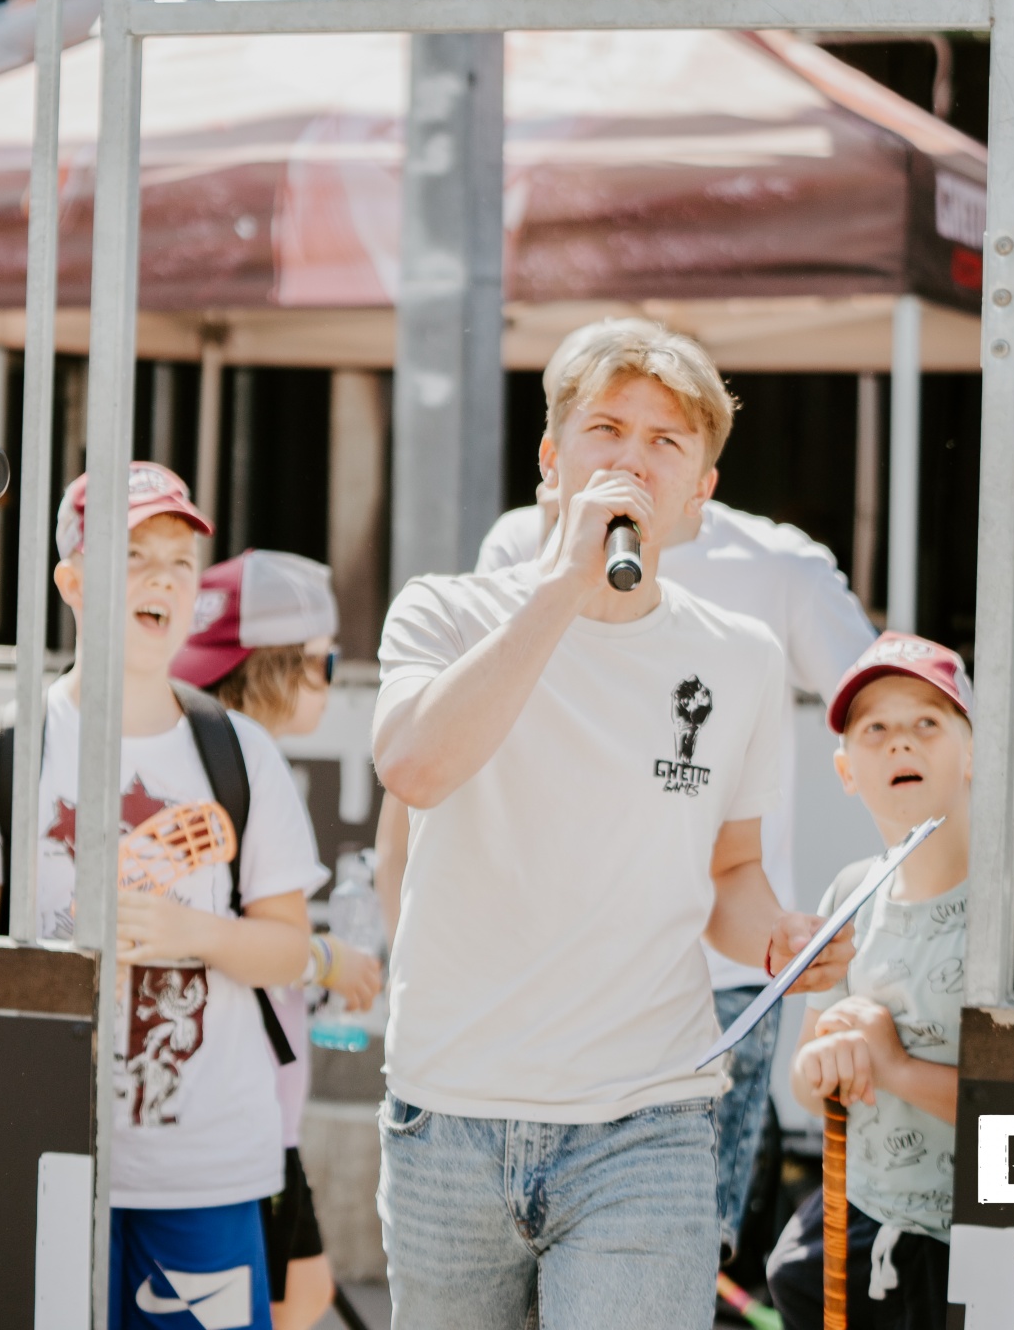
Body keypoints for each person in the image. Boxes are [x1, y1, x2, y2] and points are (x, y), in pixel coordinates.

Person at [371, 321, 849, 1328]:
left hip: (648, 1119)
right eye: (606, 429)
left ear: (700, 491)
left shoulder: (742, 658)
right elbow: (414, 766)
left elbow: (732, 872)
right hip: (450, 1110)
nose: (633, 458)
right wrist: (563, 588)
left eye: (666, 442)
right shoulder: (443, 613)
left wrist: (778, 938)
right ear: (551, 458)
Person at [0, 463, 327, 1328]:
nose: (163, 581)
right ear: (72, 582)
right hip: (42, 1153)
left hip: (207, 1166)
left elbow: (290, 949)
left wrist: (190, 931)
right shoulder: (4, 751)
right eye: (134, 556)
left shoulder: (239, 751)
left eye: (181, 563)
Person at [766, 634, 1014, 1330]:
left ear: (974, 753)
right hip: (864, 1233)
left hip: (988, 1248)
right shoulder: (848, 894)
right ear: (846, 770)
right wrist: (829, 1060)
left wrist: (894, 1067)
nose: (900, 741)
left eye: (927, 722)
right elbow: (806, 1087)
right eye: (874, 729)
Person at [170, 548, 385, 1330]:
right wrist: (325, 958)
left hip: (248, 1095)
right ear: (279, 669)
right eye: (324, 661)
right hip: (239, 1097)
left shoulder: (208, 757)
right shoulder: (241, 764)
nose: (330, 679)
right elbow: (225, 933)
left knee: (298, 1290)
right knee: (290, 1295)